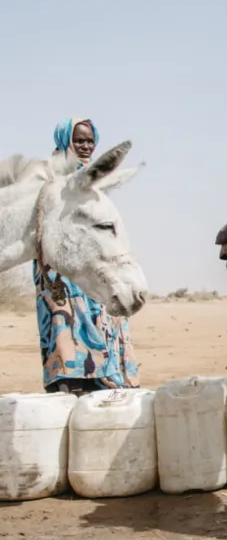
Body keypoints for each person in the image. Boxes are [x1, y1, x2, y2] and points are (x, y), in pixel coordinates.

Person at [34, 118, 139, 395]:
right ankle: (71, 379)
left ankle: (104, 377)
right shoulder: (50, 175)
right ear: (64, 140)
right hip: (60, 262)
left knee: (103, 312)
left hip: (92, 261)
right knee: (66, 317)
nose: (85, 145)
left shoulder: (96, 177)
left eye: (90, 140)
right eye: (78, 140)